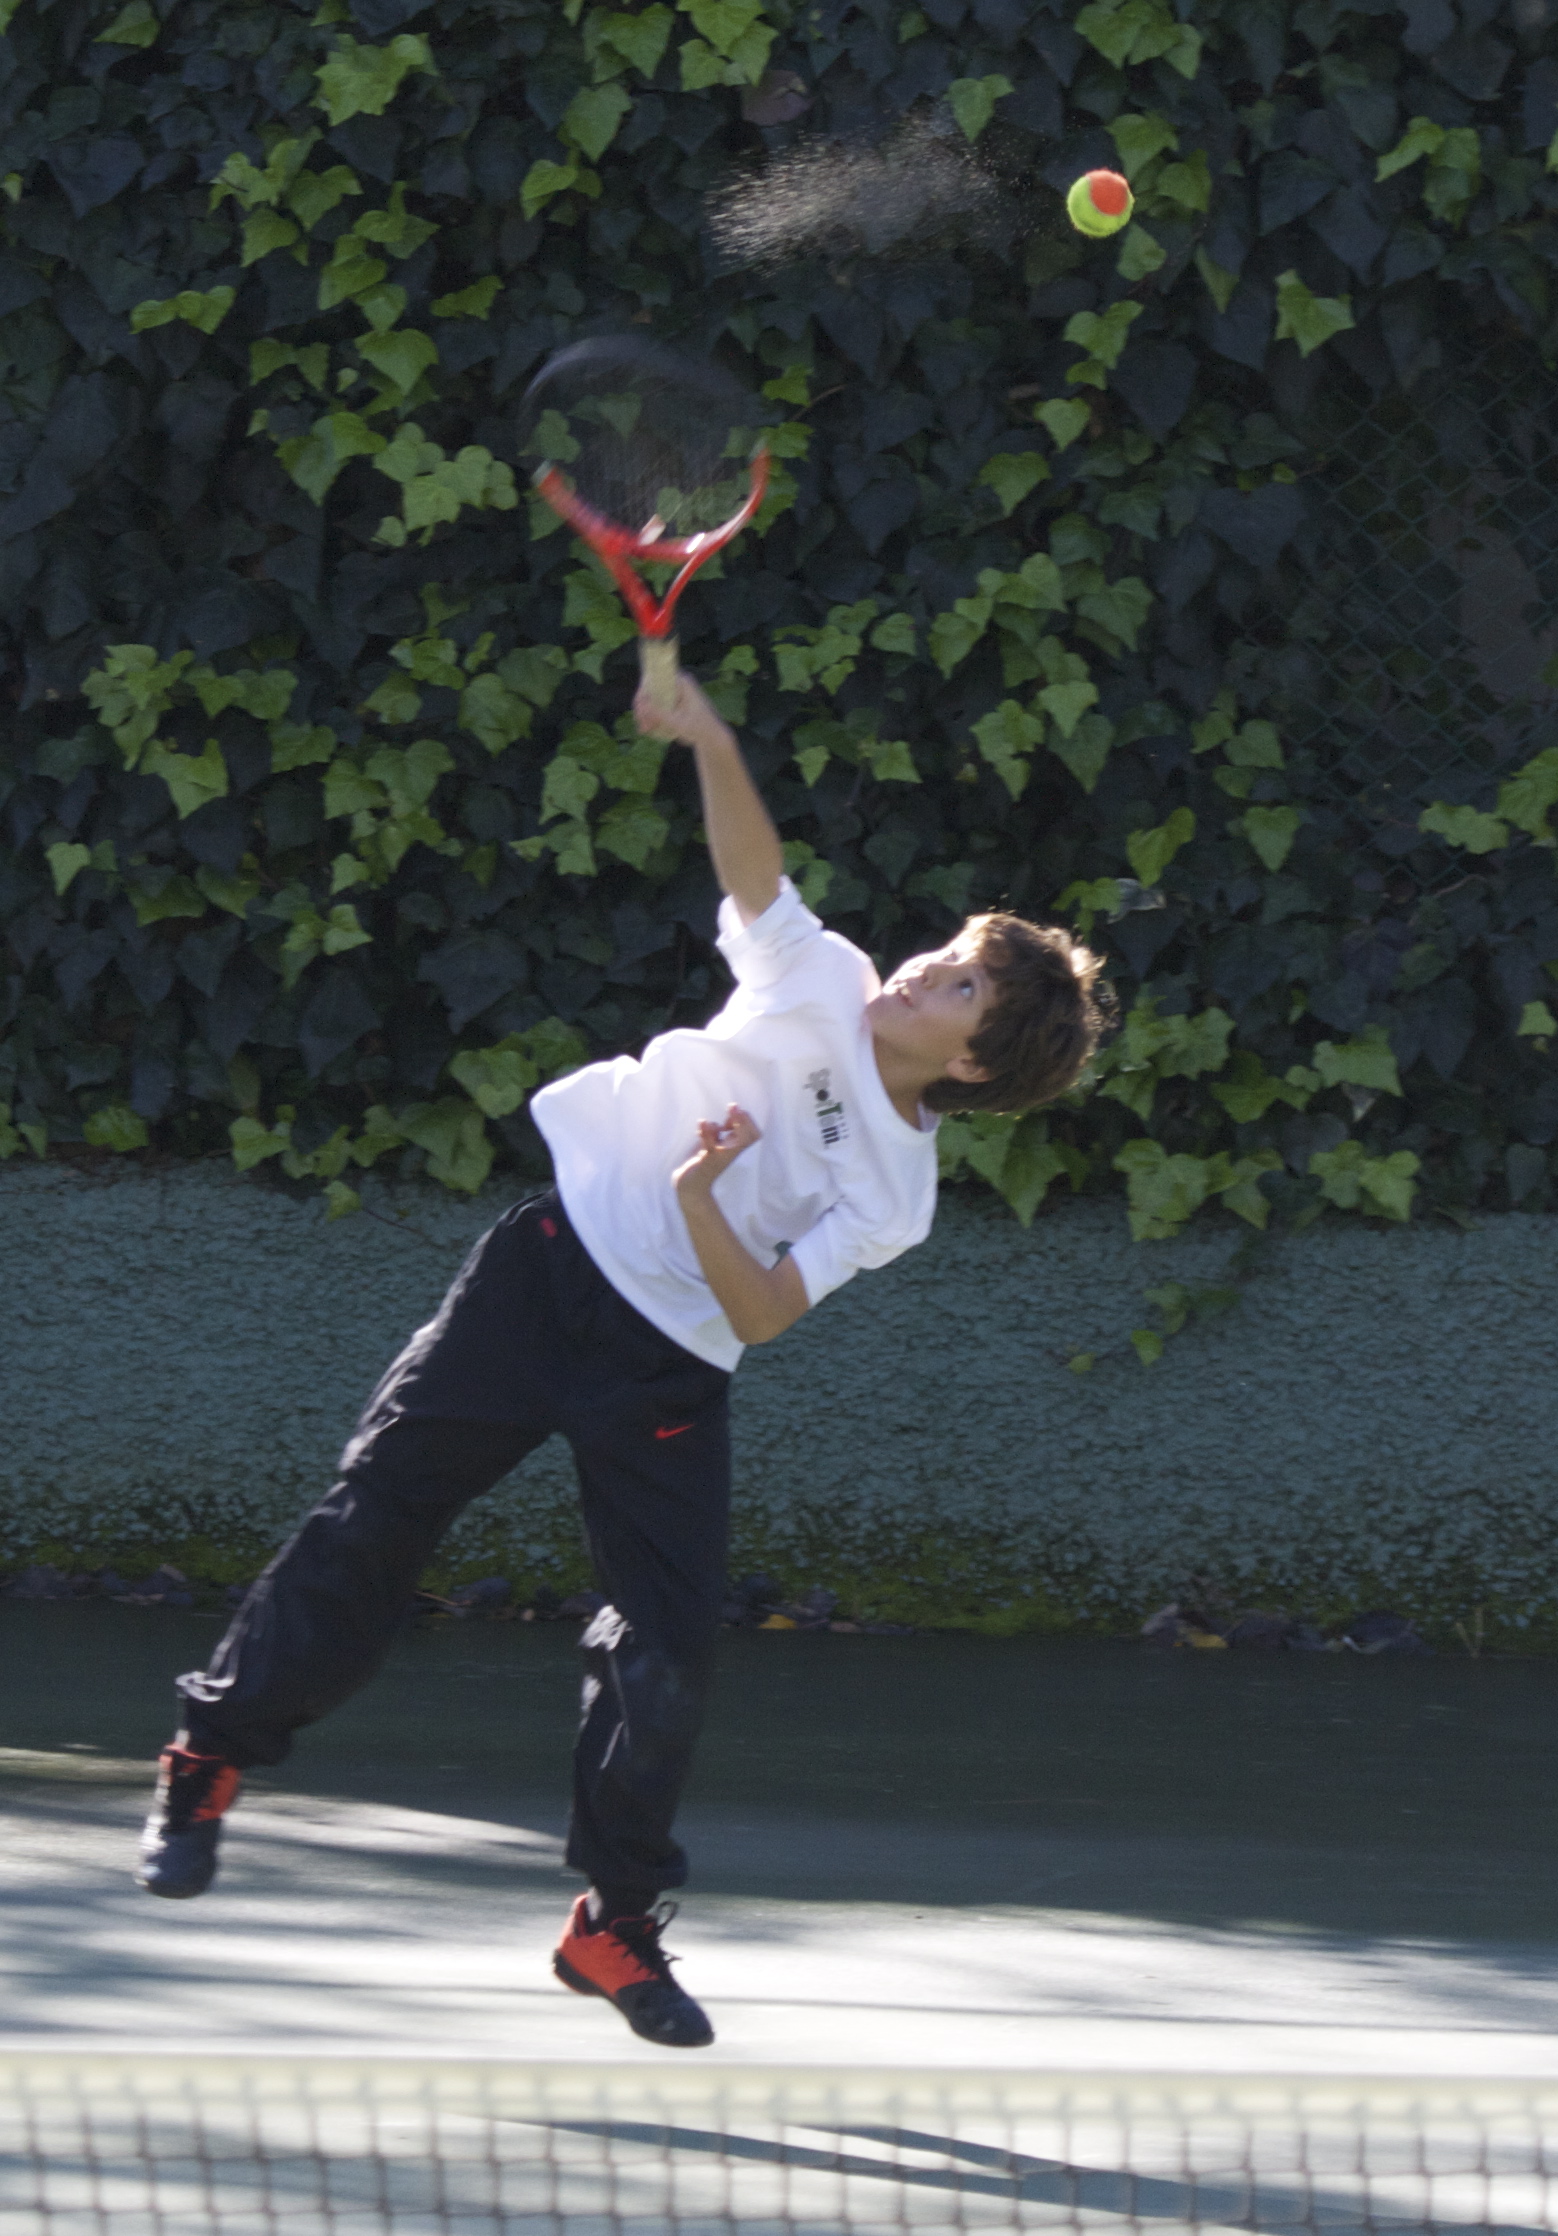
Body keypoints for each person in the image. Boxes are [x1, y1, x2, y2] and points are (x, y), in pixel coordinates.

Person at [134, 672, 1116, 2049]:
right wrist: (709, 737)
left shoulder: (896, 1194)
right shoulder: (817, 979)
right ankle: (209, 1755)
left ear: (971, 1062)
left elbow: (761, 1314)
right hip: (541, 1278)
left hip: (667, 1368)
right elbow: (757, 878)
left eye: (959, 984)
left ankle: (613, 1925)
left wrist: (702, 1197)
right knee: (377, 1516)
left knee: (667, 1648)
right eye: (946, 951)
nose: (921, 970)